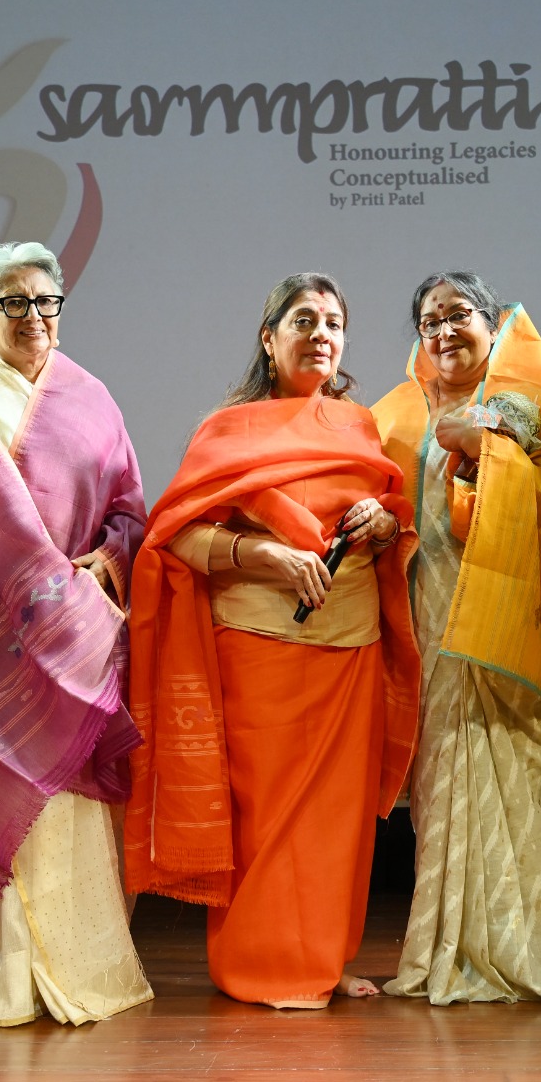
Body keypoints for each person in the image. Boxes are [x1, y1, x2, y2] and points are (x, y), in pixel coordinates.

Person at [122, 273, 420, 1008]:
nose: (321, 333)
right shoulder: (228, 429)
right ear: (269, 337)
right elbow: (176, 535)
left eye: (334, 322)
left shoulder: (359, 425)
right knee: (264, 812)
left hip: (351, 647)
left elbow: (389, 518)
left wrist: (385, 523)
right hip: (257, 645)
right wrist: (264, 556)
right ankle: (259, 962)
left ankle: (323, 958)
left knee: (337, 820)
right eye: (303, 319)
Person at [0, 242, 152, 1025]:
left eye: (46, 301)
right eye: (13, 303)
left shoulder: (92, 397)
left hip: (76, 641)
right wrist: (52, 594)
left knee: (65, 807)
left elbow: (129, 510)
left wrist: (105, 564)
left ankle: (77, 966)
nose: (34, 316)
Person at [371, 272, 541, 1004]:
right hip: (422, 624)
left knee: (500, 780)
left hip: (501, 624)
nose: (445, 330)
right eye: (429, 320)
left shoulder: (528, 407)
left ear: (494, 321)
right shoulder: (391, 414)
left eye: (459, 314)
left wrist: (485, 446)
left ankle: (522, 945)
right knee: (441, 790)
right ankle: (442, 945)